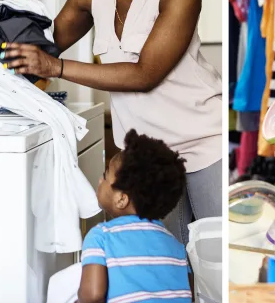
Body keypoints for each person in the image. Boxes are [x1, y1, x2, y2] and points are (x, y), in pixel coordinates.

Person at [0, 0, 222, 245]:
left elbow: (145, 75)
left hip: (205, 144)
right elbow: (42, 44)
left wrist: (56, 67)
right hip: (148, 158)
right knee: (166, 262)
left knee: (216, 263)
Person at [78, 130, 193, 303]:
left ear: (121, 199)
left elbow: (92, 296)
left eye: (105, 176)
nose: (100, 181)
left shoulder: (101, 236)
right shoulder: (177, 246)